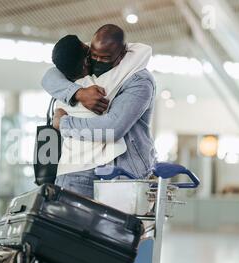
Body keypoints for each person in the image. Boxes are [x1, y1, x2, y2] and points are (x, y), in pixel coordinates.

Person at [41, 24, 157, 198]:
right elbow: (50, 75)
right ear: (88, 50)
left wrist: (63, 122)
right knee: (69, 225)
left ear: (123, 52)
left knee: (117, 225)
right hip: (77, 169)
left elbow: (113, 128)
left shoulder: (137, 79)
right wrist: (78, 93)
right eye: (94, 56)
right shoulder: (80, 67)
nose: (97, 61)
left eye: (105, 58)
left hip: (123, 171)